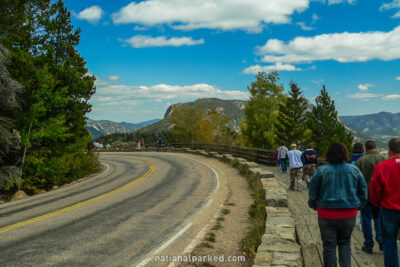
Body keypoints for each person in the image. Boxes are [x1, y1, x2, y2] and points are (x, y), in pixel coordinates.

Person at [308, 142, 367, 267]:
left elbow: (312, 191)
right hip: (348, 213)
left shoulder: (321, 171)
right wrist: (359, 206)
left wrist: (314, 205)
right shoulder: (354, 170)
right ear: (345, 154)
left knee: (329, 245)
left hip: (326, 213)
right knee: (345, 243)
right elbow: (363, 191)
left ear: (329, 154)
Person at [369, 138, 400, 267]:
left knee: (389, 242)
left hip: (388, 210)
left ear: (390, 150)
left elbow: (375, 188)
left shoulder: (382, 167)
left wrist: (376, 203)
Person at [355, 140, 385, 254]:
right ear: (376, 147)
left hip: (365, 194)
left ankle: (368, 245)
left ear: (366, 148)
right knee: (378, 217)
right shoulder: (382, 159)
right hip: (380, 194)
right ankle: (381, 239)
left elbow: (356, 178)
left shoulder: (361, 160)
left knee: (366, 219)